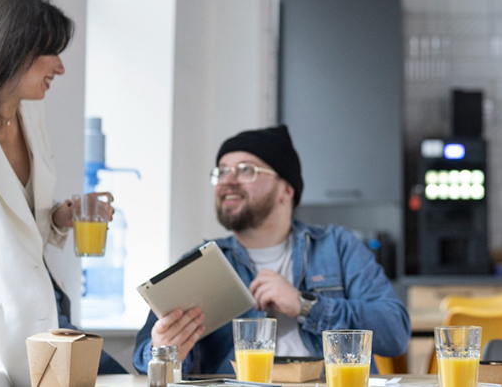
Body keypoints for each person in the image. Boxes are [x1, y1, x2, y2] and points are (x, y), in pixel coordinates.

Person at [0, 0, 124, 387]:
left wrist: (59, 216)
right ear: (13, 51)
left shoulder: (29, 115)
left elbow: (19, 218)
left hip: (43, 320)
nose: (61, 69)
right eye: (51, 53)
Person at [132, 125, 411, 375]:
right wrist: (163, 351)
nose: (228, 180)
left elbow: (395, 333)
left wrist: (305, 305)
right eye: (222, 171)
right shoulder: (199, 265)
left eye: (245, 169)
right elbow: (143, 355)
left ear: (286, 190)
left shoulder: (337, 247)